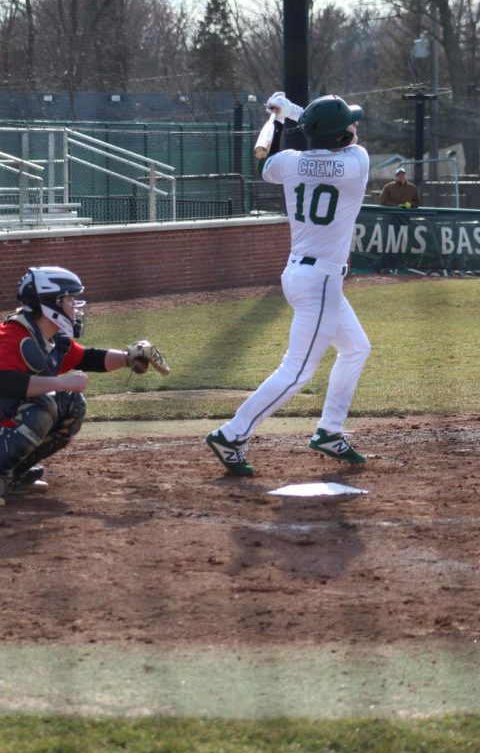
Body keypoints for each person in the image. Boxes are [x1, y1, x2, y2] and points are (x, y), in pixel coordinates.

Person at [206, 92, 372, 478]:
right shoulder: (356, 163)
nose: (355, 126)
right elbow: (335, 142)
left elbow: (270, 163)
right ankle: (232, 434)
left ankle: (329, 430)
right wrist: (293, 114)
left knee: (356, 348)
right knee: (297, 371)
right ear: (339, 136)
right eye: (350, 123)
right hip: (322, 281)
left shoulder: (286, 163)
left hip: (298, 274)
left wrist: (280, 120)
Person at [0, 266, 169, 505]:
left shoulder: (49, 340)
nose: (75, 306)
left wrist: (128, 356)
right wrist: (60, 381)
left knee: (72, 403)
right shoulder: (12, 336)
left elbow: (89, 358)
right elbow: (4, 382)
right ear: (52, 303)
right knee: (44, 403)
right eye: (70, 299)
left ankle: (10, 474)